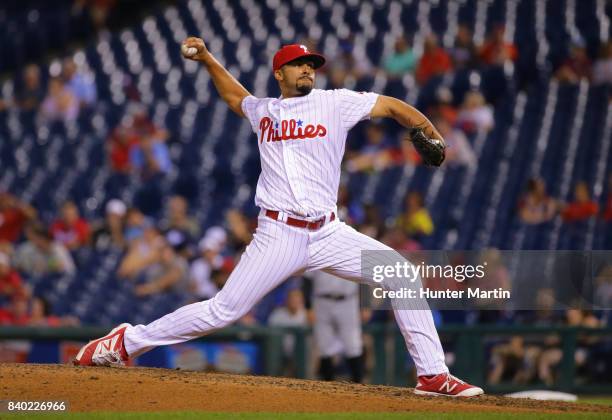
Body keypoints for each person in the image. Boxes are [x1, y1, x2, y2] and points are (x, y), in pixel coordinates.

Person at [74, 38, 483, 397]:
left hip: (328, 232)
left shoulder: (335, 102)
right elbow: (236, 98)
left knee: (401, 272)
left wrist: (428, 129)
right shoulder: (263, 110)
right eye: (299, 64)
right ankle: (127, 341)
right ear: (279, 73)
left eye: (312, 65)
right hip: (278, 234)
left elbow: (392, 106)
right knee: (223, 311)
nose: (308, 69)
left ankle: (432, 375)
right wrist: (209, 60)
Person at [309, 270, 364, 383]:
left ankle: (359, 384)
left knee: (353, 343)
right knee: (324, 344)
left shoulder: (353, 252)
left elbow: (365, 277)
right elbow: (307, 278)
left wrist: (366, 303)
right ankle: (327, 387)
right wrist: (307, 306)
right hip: (321, 300)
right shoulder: (316, 251)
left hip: (348, 301)